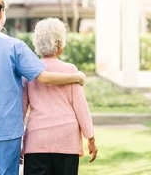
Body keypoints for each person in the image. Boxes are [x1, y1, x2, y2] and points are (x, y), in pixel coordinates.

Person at [0, 0, 85, 175]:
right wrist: (76, 77)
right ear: (1, 13)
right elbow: (44, 76)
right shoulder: (15, 47)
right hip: (7, 132)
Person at [21, 18, 98, 175]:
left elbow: (20, 111)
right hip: (67, 141)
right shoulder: (71, 71)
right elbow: (81, 108)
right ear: (60, 45)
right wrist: (90, 138)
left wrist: (16, 144)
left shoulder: (29, 73)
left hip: (37, 141)